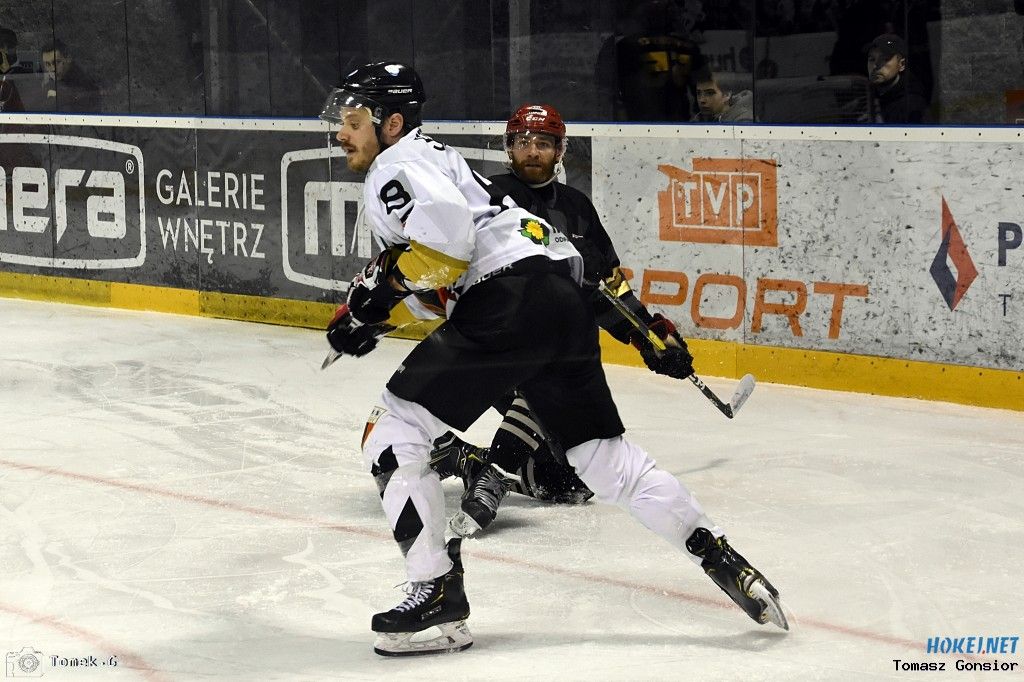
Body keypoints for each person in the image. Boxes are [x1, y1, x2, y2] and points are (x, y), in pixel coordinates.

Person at [319, 61, 787, 657]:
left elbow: (445, 252)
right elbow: (451, 270)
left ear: (390, 123)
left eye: (353, 121)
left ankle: (435, 594)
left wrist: (375, 296)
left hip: (508, 303)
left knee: (392, 431)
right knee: (604, 459)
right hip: (558, 302)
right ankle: (721, 556)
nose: (342, 133)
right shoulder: (438, 160)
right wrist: (372, 314)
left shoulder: (396, 165)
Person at [429, 103, 701, 538]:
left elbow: (609, 289)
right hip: (490, 343)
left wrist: (648, 337)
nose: (532, 151)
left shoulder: (577, 209)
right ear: (509, 148)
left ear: (559, 151)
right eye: (523, 142)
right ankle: (493, 479)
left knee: (568, 484)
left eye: (543, 143)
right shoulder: (487, 196)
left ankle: (466, 460)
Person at [865, 33, 928, 124]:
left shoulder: (913, 106)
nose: (875, 66)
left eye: (885, 59)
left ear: (901, 64)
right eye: (871, 59)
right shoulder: (863, 99)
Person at [40, 39, 100, 112]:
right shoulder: (49, 84)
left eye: (57, 62)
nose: (53, 69)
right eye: (47, 64)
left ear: (68, 58)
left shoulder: (85, 83)